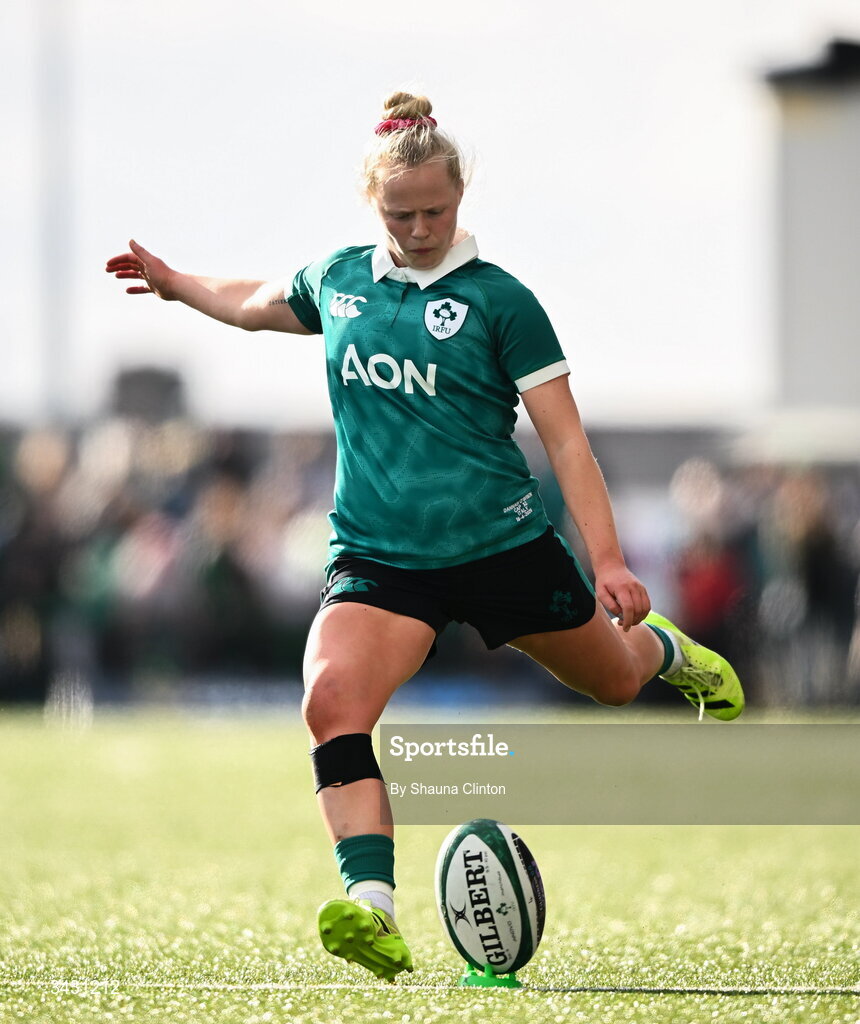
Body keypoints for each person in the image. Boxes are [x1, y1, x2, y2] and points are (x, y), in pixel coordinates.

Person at [106, 90, 744, 982]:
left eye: (435, 210)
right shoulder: (341, 280)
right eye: (400, 213)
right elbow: (256, 299)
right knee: (331, 701)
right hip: (379, 558)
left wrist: (607, 560)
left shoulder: (501, 302)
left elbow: (566, 441)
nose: (418, 228)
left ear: (460, 195)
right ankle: (369, 904)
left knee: (613, 679)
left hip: (502, 551)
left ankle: (666, 653)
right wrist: (180, 288)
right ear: (374, 206)